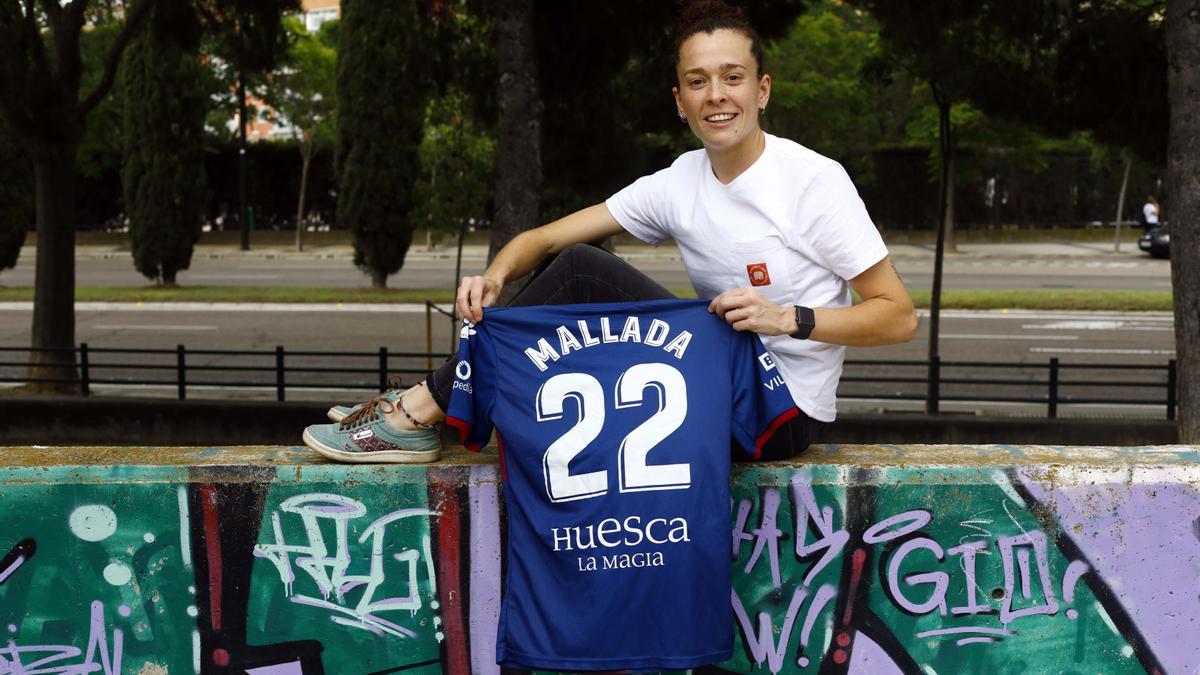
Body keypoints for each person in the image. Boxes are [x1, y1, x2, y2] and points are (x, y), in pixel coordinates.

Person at [302, 0, 918, 464]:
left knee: (582, 273)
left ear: (762, 90)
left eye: (732, 77)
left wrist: (788, 318)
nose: (716, 96)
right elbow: (539, 240)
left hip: (780, 412)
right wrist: (493, 275)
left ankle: (419, 412)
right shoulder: (679, 182)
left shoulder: (812, 181)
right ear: (680, 100)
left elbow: (897, 317)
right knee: (574, 272)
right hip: (708, 377)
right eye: (698, 82)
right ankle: (433, 408)